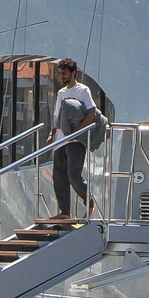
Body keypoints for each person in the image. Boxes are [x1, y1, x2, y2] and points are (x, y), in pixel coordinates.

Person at [44, 58, 101, 221]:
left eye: (64, 73)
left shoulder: (82, 90)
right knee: (59, 177)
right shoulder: (61, 93)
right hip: (60, 140)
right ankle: (65, 211)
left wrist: (77, 131)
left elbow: (92, 112)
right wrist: (52, 134)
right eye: (60, 73)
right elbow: (57, 117)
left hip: (76, 141)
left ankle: (90, 201)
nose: (62, 76)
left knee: (73, 175)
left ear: (73, 73)